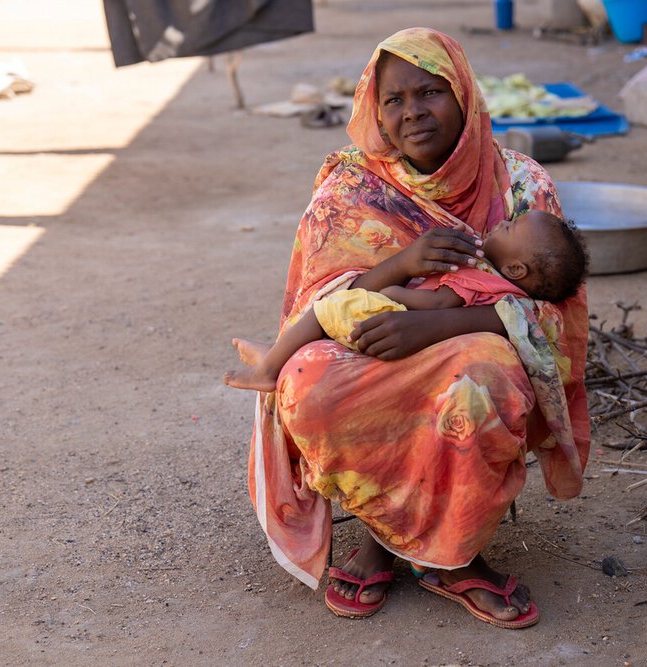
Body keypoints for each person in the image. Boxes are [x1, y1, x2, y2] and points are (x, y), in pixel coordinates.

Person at [241, 27, 590, 629]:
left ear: (463, 94)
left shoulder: (523, 186)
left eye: (429, 92)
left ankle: (455, 556)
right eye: (394, 100)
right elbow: (316, 299)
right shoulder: (350, 187)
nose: (412, 113)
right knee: (305, 382)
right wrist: (396, 268)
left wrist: (435, 328)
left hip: (463, 351)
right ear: (373, 110)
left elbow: (556, 315)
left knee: (487, 378)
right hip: (363, 343)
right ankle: (381, 532)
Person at [223, 209, 588, 393]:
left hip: (397, 318)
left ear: (516, 267)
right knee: (329, 320)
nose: (501, 223)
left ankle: (268, 369)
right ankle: (276, 355)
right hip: (398, 323)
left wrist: (394, 292)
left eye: (508, 228)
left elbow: (438, 305)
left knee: (326, 308)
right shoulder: (498, 283)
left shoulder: (483, 279)